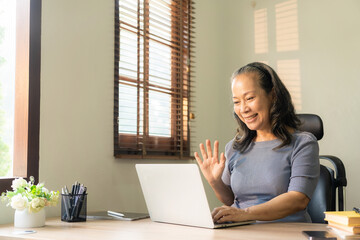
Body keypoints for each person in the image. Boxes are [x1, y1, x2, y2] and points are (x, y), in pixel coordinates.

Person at [194, 62, 319, 223]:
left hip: (286, 233)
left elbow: (298, 199)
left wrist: (246, 213)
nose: (243, 109)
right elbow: (231, 199)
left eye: (250, 98)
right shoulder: (235, 147)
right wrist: (215, 182)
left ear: (273, 95)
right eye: (237, 102)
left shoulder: (303, 143)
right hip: (243, 232)